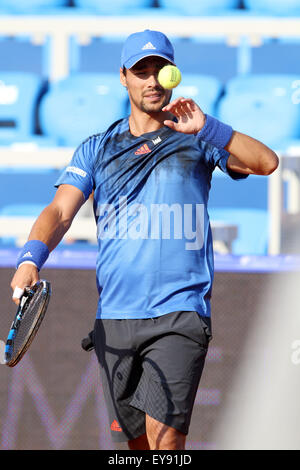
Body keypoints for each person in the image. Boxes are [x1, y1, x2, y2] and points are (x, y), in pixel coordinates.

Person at [10, 29, 279, 450]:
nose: (151, 80)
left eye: (160, 70)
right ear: (124, 77)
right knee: (135, 448)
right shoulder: (97, 148)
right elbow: (60, 212)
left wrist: (209, 127)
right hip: (115, 317)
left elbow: (266, 162)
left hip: (179, 312)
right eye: (141, 71)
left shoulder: (198, 138)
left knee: (166, 441)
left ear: (173, 74)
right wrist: (30, 259)